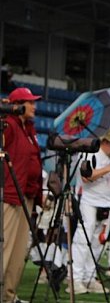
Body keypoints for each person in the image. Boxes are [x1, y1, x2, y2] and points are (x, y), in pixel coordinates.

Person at [69, 128, 110, 294]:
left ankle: (90, 277)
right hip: (87, 201)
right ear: (107, 142)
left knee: (98, 242)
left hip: (105, 203)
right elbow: (86, 177)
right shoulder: (90, 154)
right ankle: (75, 279)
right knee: (83, 240)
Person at [2, 87, 43, 303]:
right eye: (30, 102)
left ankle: (9, 296)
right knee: (5, 248)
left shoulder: (28, 129)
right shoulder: (8, 124)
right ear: (18, 104)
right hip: (9, 196)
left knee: (18, 252)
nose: (34, 106)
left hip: (26, 196)